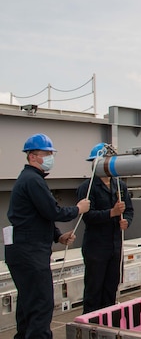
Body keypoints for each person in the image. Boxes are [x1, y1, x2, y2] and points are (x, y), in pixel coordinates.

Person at [4, 133, 90, 339]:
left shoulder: (30, 179)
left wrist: (58, 237)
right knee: (41, 305)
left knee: (28, 304)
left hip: (23, 250)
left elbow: (40, 216)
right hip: (30, 252)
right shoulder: (33, 180)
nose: (51, 157)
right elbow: (53, 212)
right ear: (33, 156)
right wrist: (78, 209)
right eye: (47, 153)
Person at [76, 142, 134, 314]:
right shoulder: (86, 188)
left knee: (111, 286)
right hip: (96, 247)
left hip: (115, 246)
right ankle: (91, 324)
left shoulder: (120, 186)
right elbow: (88, 216)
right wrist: (112, 213)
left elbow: (129, 210)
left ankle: (108, 322)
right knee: (94, 289)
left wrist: (127, 221)